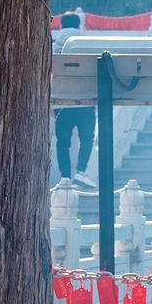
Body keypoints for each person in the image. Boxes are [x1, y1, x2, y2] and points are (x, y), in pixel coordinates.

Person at [52, 13, 95, 183]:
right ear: (79, 26)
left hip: (61, 101)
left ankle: (64, 176)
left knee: (63, 142)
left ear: (61, 26)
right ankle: (81, 171)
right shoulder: (87, 45)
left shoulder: (54, 47)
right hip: (86, 100)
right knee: (87, 138)